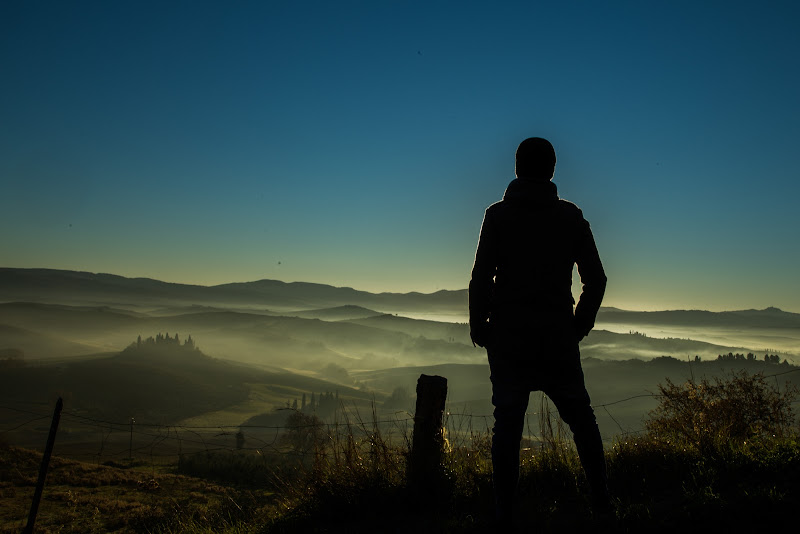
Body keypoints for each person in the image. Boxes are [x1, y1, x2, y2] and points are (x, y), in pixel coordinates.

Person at [469, 137, 611, 527]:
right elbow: (595, 280)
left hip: (509, 337)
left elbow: (482, 275)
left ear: (516, 167)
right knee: (581, 418)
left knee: (508, 424)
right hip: (556, 337)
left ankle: (505, 514)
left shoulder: (497, 216)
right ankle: (602, 504)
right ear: (552, 169)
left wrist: (479, 324)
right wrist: (577, 326)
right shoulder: (571, 216)